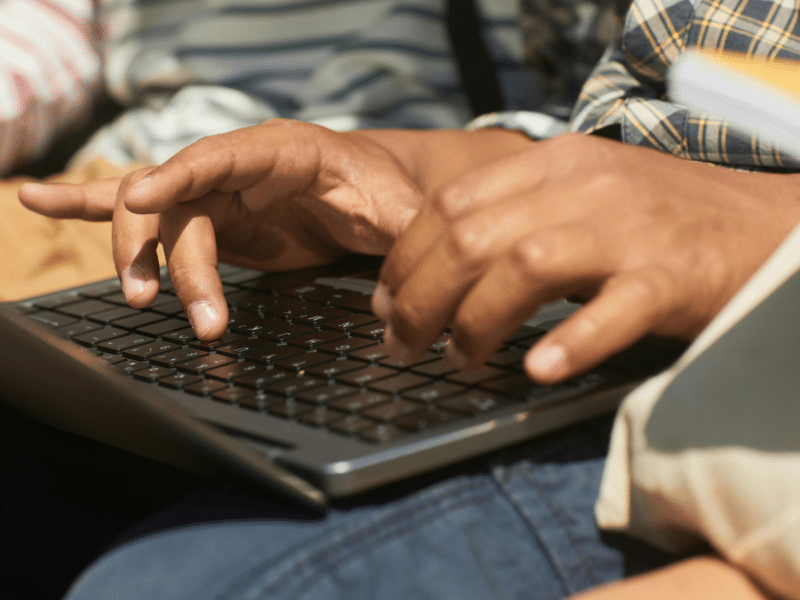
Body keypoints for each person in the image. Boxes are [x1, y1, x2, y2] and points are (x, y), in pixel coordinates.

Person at [12, 0, 800, 598]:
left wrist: (762, 219)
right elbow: (616, 135)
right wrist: (389, 172)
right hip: (551, 311)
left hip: (743, 380)